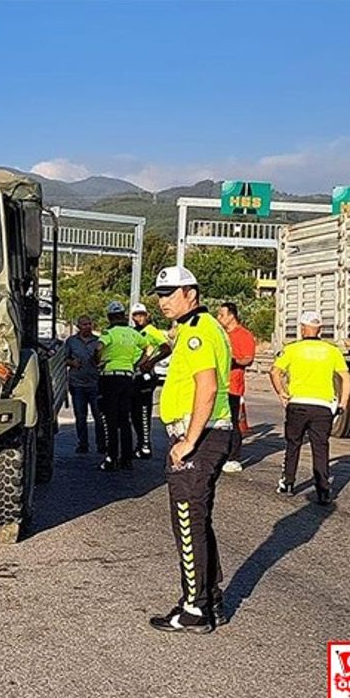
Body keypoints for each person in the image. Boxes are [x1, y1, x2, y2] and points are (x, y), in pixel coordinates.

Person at [147, 266, 232, 634]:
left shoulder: (198, 332)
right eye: (160, 294)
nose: (163, 300)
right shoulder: (197, 329)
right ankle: (210, 599)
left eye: (171, 293)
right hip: (207, 435)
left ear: (191, 294)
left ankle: (194, 608)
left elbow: (207, 388)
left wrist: (188, 442)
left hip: (200, 438)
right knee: (199, 521)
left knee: (187, 522)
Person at [269, 310, 350, 505]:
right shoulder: (332, 351)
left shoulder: (292, 349)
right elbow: (346, 378)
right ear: (320, 329)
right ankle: (323, 490)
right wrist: (343, 403)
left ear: (302, 329)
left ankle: (287, 482)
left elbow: (274, 371)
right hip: (323, 407)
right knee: (320, 447)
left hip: (297, 404)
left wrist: (282, 393)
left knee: (293, 444)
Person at [95, 301, 153, 472]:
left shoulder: (109, 333)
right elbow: (148, 348)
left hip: (110, 378)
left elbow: (98, 348)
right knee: (125, 420)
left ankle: (112, 457)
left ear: (109, 317)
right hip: (128, 378)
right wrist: (138, 363)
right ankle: (127, 459)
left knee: (111, 420)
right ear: (123, 315)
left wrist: (99, 361)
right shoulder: (132, 333)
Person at [216, 302, 256, 473]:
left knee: (233, 422)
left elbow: (248, 358)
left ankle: (234, 457)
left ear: (231, 315)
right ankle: (219, 454)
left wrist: (234, 360)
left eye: (221, 315)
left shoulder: (244, 335)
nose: (219, 318)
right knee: (218, 423)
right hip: (217, 386)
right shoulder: (221, 334)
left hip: (233, 387)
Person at [130, 303, 171, 459]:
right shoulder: (135, 332)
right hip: (135, 375)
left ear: (147, 315)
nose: (139, 318)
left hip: (146, 375)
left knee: (144, 411)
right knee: (134, 412)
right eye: (136, 315)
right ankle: (140, 443)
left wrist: (152, 362)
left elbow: (167, 348)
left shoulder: (152, 331)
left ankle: (146, 445)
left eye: (142, 314)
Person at [62, 315, 104, 454]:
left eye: (89, 324)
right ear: (78, 326)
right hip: (77, 384)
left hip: (95, 383)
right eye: (84, 324)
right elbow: (63, 358)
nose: (87, 327)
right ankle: (83, 444)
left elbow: (104, 358)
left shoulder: (98, 341)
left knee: (99, 416)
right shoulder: (71, 341)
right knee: (81, 417)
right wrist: (72, 362)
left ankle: (101, 444)